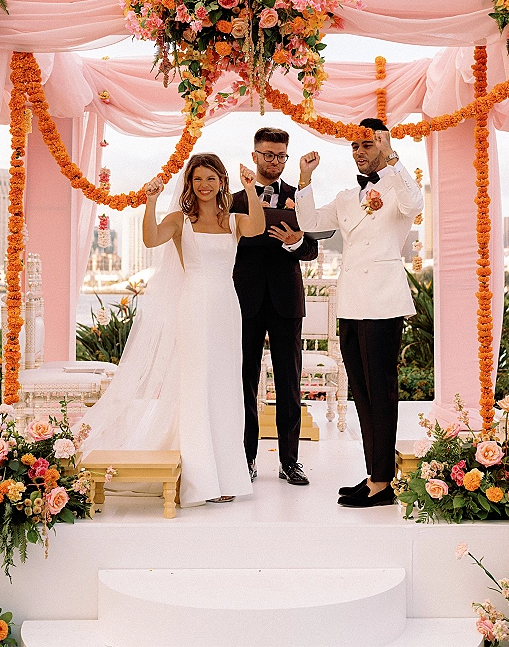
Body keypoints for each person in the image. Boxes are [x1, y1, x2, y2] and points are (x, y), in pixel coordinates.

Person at [78, 153, 265, 508]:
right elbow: (150, 239)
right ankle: (201, 478)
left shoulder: (234, 220)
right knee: (196, 386)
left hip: (227, 308)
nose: (204, 185)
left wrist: (250, 188)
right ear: (189, 184)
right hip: (193, 307)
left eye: (211, 178)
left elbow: (257, 227)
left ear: (221, 182)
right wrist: (149, 201)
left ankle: (228, 476)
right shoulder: (180, 220)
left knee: (226, 388)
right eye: (197, 179)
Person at [296, 118, 423, 508]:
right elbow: (310, 222)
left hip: (383, 302)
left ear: (382, 146)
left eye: (368, 144)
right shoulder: (348, 196)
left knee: (381, 392)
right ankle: (374, 475)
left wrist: (393, 159)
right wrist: (304, 178)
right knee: (363, 395)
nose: (360, 151)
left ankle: (384, 483)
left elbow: (414, 205)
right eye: (355, 146)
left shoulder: (398, 186)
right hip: (351, 302)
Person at [231, 127, 318, 486]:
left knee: (289, 385)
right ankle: (245, 459)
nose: (276, 162)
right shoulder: (234, 199)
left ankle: (290, 461)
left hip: (286, 301)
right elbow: (226, 247)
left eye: (281, 156)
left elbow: (312, 248)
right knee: (243, 384)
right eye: (269, 155)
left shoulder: (300, 196)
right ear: (254, 155)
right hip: (243, 301)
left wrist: (296, 241)